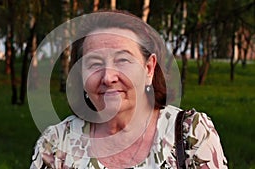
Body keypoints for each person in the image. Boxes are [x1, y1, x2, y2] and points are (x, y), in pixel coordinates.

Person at [30, 10, 228, 169]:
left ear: (148, 69)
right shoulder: (56, 144)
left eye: (123, 60)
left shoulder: (191, 135)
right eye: (94, 63)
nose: (108, 77)